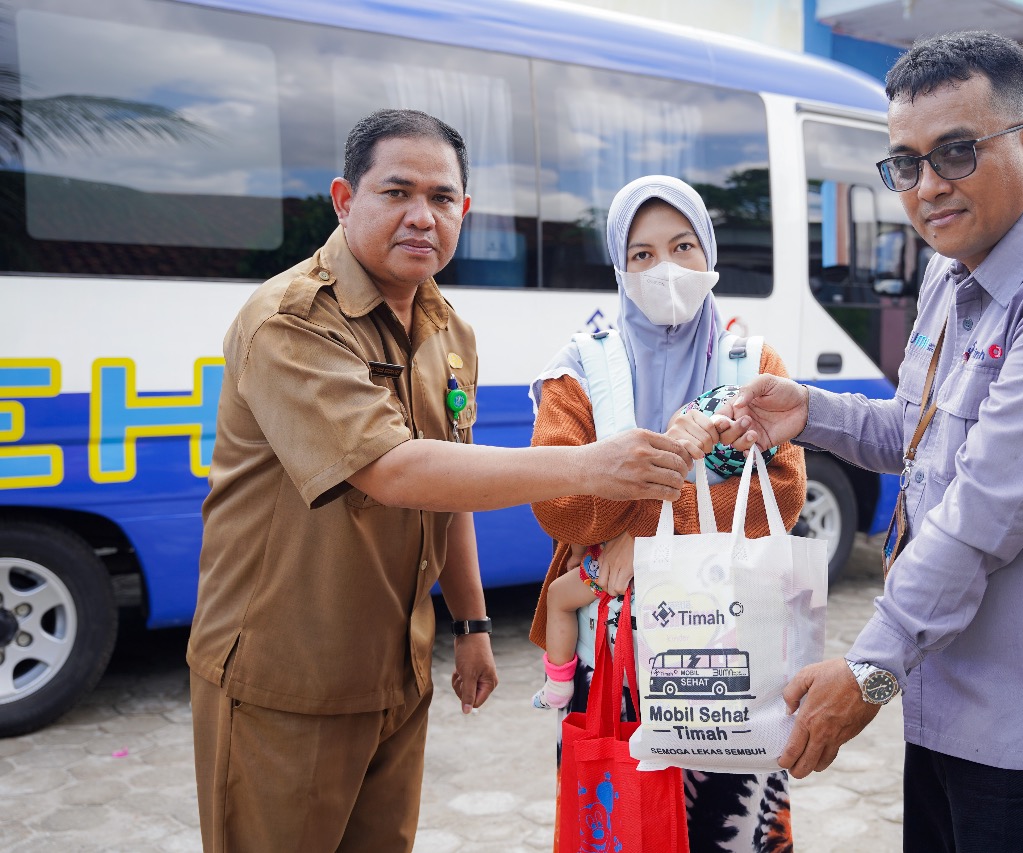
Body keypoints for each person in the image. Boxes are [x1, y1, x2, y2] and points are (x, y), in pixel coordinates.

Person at [185, 110, 699, 853]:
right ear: (344, 200)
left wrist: (473, 625)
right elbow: (394, 469)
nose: (422, 216)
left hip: (398, 671)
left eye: (442, 198)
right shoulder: (290, 321)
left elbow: (449, 486)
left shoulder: (447, 330)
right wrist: (592, 464)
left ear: (466, 211)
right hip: (287, 678)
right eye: (397, 192)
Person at [719, 31, 1023, 852]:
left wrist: (870, 669)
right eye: (906, 163)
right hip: (946, 706)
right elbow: (917, 434)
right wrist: (807, 411)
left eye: (956, 152)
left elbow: (983, 508)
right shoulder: (950, 272)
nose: (928, 187)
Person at [527, 175, 806, 851]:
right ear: (620, 267)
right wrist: (671, 492)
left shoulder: (753, 364)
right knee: (622, 824)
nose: (666, 270)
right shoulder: (579, 369)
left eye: (682, 247)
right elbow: (560, 506)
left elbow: (783, 494)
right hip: (615, 661)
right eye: (643, 254)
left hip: (729, 653)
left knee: (730, 828)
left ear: (708, 252)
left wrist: (641, 526)